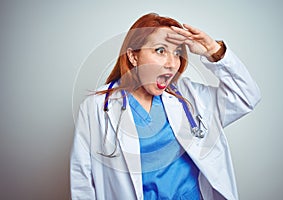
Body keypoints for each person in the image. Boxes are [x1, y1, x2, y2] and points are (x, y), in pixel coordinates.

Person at [70, 13, 261, 200]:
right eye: (160, 50)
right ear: (133, 57)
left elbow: (246, 96)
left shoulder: (189, 96)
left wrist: (213, 50)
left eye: (177, 53)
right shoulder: (96, 107)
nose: (172, 64)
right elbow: (82, 179)